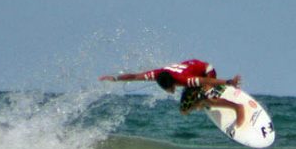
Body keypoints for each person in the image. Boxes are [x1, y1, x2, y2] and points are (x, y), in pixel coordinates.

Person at [99, 59, 245, 126]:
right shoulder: (156, 75)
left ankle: (237, 107)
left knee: (209, 95)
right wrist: (115, 78)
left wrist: (228, 82)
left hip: (206, 71)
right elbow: (134, 76)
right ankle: (200, 101)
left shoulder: (186, 80)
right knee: (184, 110)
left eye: (171, 88)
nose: (171, 91)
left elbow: (208, 81)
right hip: (191, 69)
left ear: (174, 83)